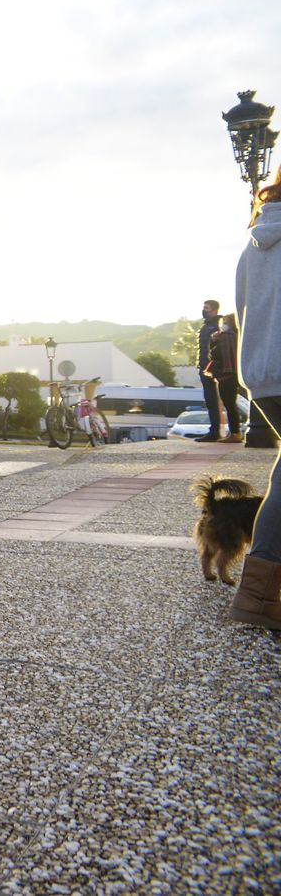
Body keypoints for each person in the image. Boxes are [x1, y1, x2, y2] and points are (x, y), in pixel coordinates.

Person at [231, 174, 281, 629]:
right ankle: (257, 595)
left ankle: (259, 594)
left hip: (263, 374)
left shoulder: (256, 241)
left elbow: (242, 308)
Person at [206, 313, 244, 444]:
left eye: (226, 322)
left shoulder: (223, 337)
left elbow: (213, 355)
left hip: (225, 375)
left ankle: (234, 433)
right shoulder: (237, 336)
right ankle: (235, 432)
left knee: (229, 405)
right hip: (235, 374)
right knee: (232, 404)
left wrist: (213, 341)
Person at [196, 299, 225, 442]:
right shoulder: (206, 326)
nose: (204, 310)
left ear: (214, 310)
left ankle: (215, 432)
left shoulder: (217, 326)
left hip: (214, 369)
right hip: (205, 368)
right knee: (210, 401)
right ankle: (214, 431)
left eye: (206, 308)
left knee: (218, 400)